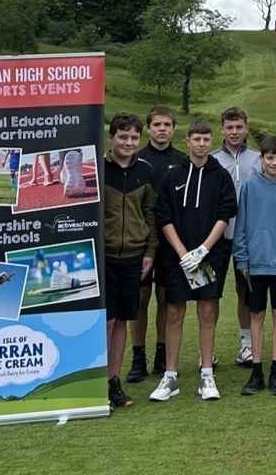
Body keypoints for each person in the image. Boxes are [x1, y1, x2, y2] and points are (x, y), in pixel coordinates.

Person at [150, 120, 237, 402]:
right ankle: (170, 377)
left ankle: (207, 374)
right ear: (187, 141)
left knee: (207, 312)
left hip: (209, 257)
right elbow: (164, 216)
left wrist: (202, 250)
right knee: (174, 312)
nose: (201, 144)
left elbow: (225, 214)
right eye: (196, 139)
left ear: (211, 141)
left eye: (205, 139)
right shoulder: (173, 175)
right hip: (177, 258)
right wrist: (182, 252)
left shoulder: (220, 175)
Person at [234, 135, 276, 397]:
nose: (274, 162)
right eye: (270, 158)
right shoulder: (251, 186)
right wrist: (242, 258)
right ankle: (257, 371)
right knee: (256, 316)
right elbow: (241, 225)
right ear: (261, 159)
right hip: (255, 264)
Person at [102, 112, 158, 409]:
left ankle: (114, 381)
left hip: (135, 256)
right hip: (105, 255)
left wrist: (149, 253)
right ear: (112, 138)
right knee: (106, 320)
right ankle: (96, 383)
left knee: (123, 318)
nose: (129, 142)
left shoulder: (145, 171)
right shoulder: (97, 169)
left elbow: (150, 215)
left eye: (134, 137)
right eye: (123, 137)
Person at [130, 106, 188, 383]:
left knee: (167, 298)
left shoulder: (182, 161)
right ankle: (137, 355)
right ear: (148, 128)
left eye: (167, 124)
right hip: (139, 239)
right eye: (156, 125)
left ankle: (162, 354)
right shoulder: (136, 159)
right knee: (140, 298)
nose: (162, 129)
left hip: (170, 240)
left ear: (174, 128)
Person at [213, 106, 261, 369]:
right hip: (218, 236)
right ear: (223, 129)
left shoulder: (257, 159)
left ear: (246, 128)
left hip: (248, 235)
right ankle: (206, 351)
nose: (234, 132)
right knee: (211, 294)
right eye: (229, 127)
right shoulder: (212, 159)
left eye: (239, 127)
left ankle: (247, 345)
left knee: (245, 291)